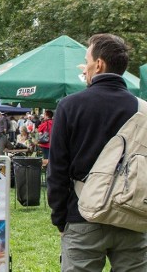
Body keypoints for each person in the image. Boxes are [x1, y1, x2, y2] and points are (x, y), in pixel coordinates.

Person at [48, 33, 147, 271]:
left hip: (83, 216)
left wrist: (60, 219)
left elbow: (57, 170)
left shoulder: (69, 106)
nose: (84, 67)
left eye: (86, 60)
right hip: (132, 218)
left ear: (99, 64)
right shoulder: (143, 110)